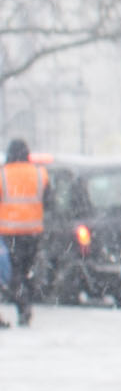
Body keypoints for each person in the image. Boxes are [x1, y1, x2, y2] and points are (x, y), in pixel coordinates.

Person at [0, 135, 45, 328]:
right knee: (27, 270)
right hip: (33, 231)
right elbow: (48, 199)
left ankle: (22, 303)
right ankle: (26, 303)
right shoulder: (39, 173)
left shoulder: (3, 174)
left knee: (13, 271)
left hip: (9, 231)